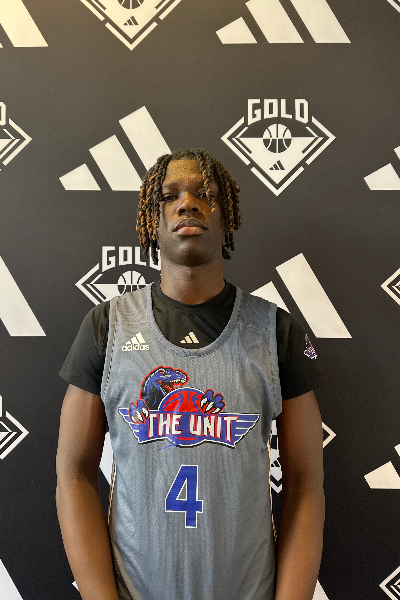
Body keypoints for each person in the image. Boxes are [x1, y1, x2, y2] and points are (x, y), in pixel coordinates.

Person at [56, 148, 326, 600]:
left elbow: (306, 485)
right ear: (153, 219)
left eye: (206, 194)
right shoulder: (108, 326)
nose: (188, 203)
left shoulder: (275, 331)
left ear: (227, 217)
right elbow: (74, 473)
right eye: (170, 196)